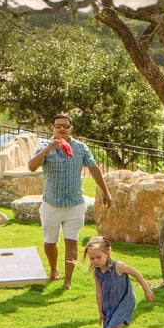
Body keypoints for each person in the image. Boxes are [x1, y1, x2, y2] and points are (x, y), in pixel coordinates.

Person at [28, 113, 112, 288]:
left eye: (65, 126)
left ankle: (67, 281)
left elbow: (94, 168)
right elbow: (32, 166)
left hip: (75, 204)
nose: (62, 129)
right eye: (58, 126)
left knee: (71, 242)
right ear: (52, 128)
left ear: (71, 128)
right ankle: (53, 270)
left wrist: (105, 191)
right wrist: (48, 149)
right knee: (50, 243)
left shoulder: (80, 148)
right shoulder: (44, 147)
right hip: (52, 204)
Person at [85, 235, 152, 328]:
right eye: (92, 258)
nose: (95, 261)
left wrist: (147, 290)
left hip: (124, 301)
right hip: (109, 304)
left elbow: (136, 273)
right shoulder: (97, 273)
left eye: (98, 257)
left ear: (108, 253)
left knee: (114, 327)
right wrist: (100, 312)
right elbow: (99, 293)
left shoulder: (118, 267)